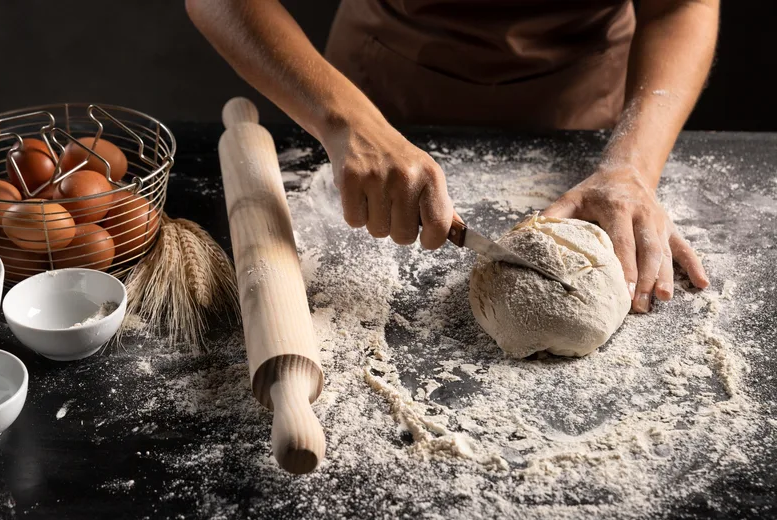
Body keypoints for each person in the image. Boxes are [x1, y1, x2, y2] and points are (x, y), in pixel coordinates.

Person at [185, 0, 716, 313]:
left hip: (578, 98)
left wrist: (632, 166)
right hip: (382, 88)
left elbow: (681, 5)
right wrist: (347, 121)